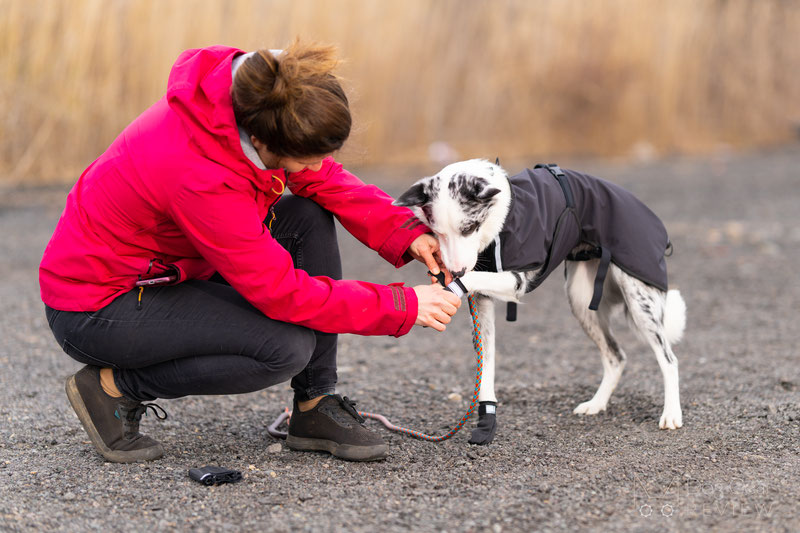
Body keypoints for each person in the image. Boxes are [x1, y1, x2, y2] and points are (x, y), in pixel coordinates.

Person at [39, 41, 461, 463]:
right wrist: (400, 305)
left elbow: (322, 176)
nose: (314, 167)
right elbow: (280, 291)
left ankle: (315, 405)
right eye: (304, 159)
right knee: (284, 349)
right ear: (260, 141)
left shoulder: (263, 100)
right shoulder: (199, 173)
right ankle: (113, 387)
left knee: (305, 216)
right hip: (98, 304)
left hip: (168, 270)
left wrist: (405, 231)